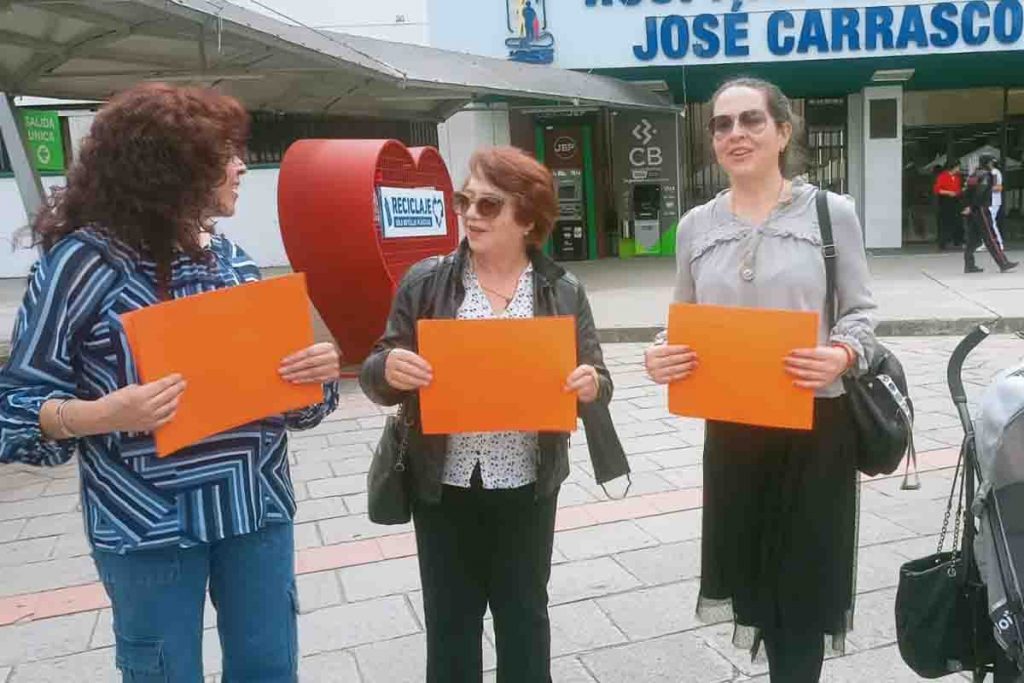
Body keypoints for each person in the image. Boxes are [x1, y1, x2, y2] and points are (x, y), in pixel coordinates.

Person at [0, 83, 341, 682]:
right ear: (167, 172)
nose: (240, 167)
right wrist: (99, 415)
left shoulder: (229, 257)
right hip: (146, 525)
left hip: (254, 509)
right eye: (223, 156)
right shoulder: (84, 263)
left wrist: (314, 378)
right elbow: (14, 408)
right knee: (164, 672)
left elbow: (296, 405)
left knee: (268, 668)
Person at [359, 145, 629, 682]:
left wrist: (590, 384)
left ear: (527, 218)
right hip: (444, 484)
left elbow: (601, 378)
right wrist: (388, 369)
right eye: (465, 200)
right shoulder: (427, 282)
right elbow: (375, 366)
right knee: (450, 624)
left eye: (488, 205)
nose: (469, 214)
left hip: (528, 486)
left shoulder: (562, 290)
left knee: (525, 618)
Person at [644, 77, 878, 682]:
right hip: (733, 431)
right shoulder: (695, 225)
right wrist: (660, 355)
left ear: (783, 131)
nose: (735, 134)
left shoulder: (832, 213)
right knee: (753, 576)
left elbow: (861, 312)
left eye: (750, 120)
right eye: (722, 124)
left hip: (815, 426)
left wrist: (843, 355)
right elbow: (682, 322)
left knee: (801, 587)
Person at [964, 155, 1018, 273]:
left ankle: (969, 264)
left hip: (973, 209)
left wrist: (968, 206)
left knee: (973, 239)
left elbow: (966, 191)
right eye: (991, 162)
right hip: (982, 208)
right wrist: (975, 205)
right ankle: (1003, 263)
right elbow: (980, 192)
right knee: (991, 237)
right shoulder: (987, 175)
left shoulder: (974, 174)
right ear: (988, 163)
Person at [933, 160, 964, 250]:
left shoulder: (958, 177)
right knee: (945, 222)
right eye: (958, 167)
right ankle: (943, 242)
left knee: (958, 221)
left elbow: (958, 188)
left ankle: (958, 240)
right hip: (945, 201)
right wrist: (949, 192)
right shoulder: (943, 176)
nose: (959, 169)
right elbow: (937, 190)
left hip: (956, 201)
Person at [989, 158, 1006, 250]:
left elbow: (996, 187)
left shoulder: (994, 172)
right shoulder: (994, 172)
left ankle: (998, 242)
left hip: (993, 201)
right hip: (991, 201)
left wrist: (986, 188)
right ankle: (989, 242)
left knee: (990, 222)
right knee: (988, 222)